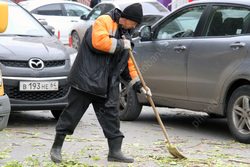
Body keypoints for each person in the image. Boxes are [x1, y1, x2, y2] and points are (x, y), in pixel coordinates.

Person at [50, 3, 152, 164]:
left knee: (111, 118)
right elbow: (98, 42)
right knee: (71, 115)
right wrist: (120, 44)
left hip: (107, 84)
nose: (135, 26)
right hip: (86, 80)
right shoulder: (104, 20)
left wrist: (140, 86)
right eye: (134, 23)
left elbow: (127, 64)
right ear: (125, 19)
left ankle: (115, 152)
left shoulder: (127, 32)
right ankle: (56, 148)